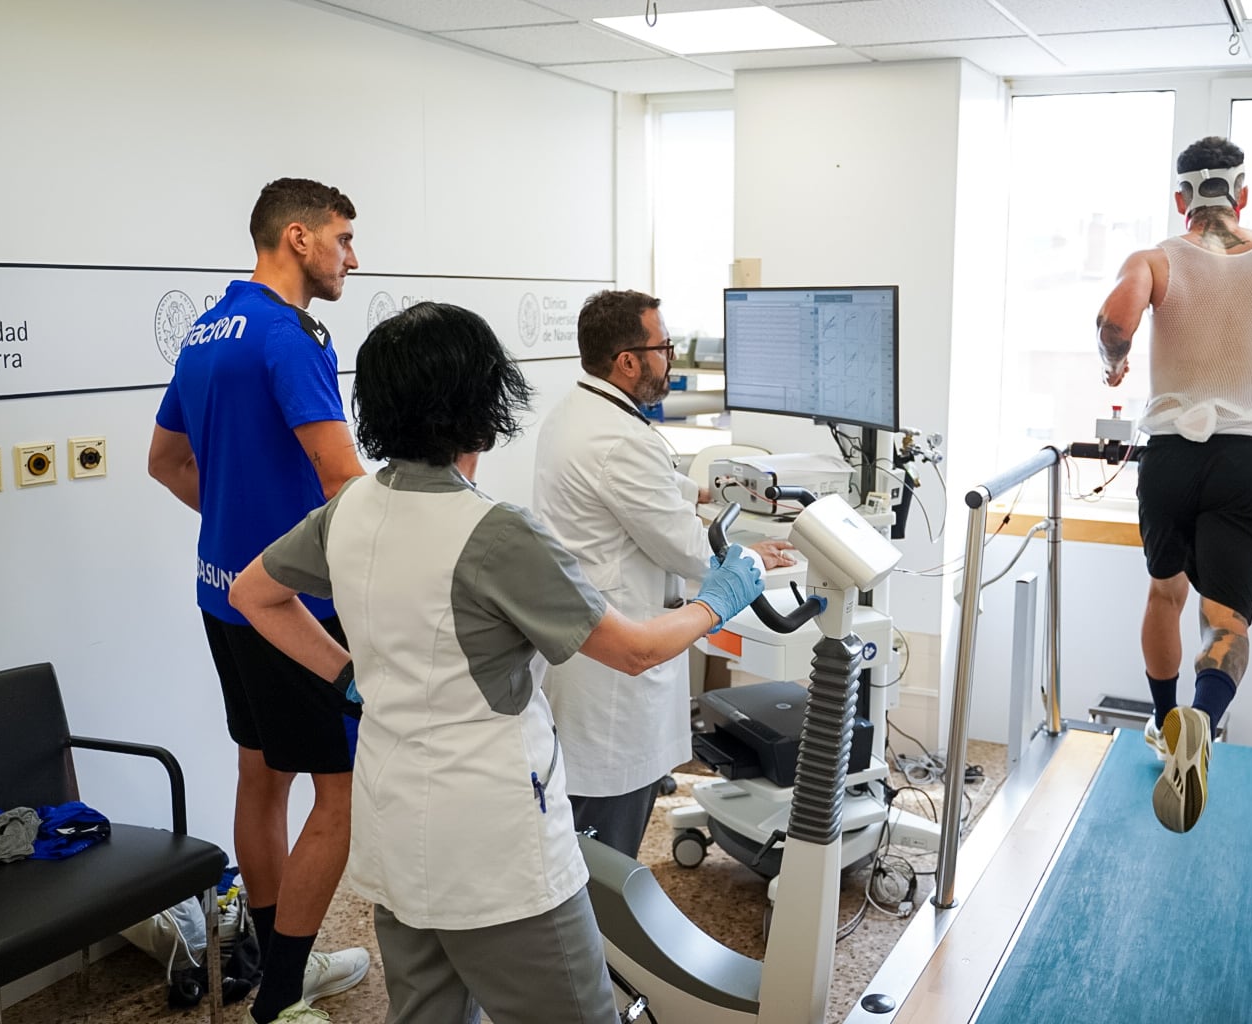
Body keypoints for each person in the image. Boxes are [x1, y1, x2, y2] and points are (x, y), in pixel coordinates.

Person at [228, 301, 766, 1024]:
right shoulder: (495, 533)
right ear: (482, 405)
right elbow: (633, 651)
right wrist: (717, 601)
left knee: (428, 1014)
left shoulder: (349, 508)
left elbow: (253, 594)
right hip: (494, 844)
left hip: (395, 824)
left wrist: (345, 676)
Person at [147, 177, 371, 1023]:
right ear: (299, 238)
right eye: (344, 238)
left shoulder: (206, 332)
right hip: (291, 612)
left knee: (261, 773)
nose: (353, 256)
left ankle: (280, 962)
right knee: (341, 792)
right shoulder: (287, 335)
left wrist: (245, 525)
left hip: (220, 595)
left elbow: (167, 464)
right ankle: (281, 996)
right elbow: (343, 479)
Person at [1094, 136, 1252, 834]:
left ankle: (1162, 722)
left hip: (1172, 452)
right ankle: (1201, 722)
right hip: (1246, 456)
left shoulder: (1154, 258)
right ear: (1241, 195)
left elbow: (1115, 321)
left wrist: (1113, 366)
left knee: (1164, 590)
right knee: (1226, 621)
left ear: (1182, 199)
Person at [532, 289, 796, 857]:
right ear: (628, 360)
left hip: (589, 641)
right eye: (664, 347)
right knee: (606, 830)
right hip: (614, 671)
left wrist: (703, 490)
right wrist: (751, 558)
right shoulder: (619, 439)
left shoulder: (581, 411)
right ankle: (597, 945)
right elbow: (692, 553)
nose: (670, 359)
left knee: (591, 818)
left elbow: (648, 487)